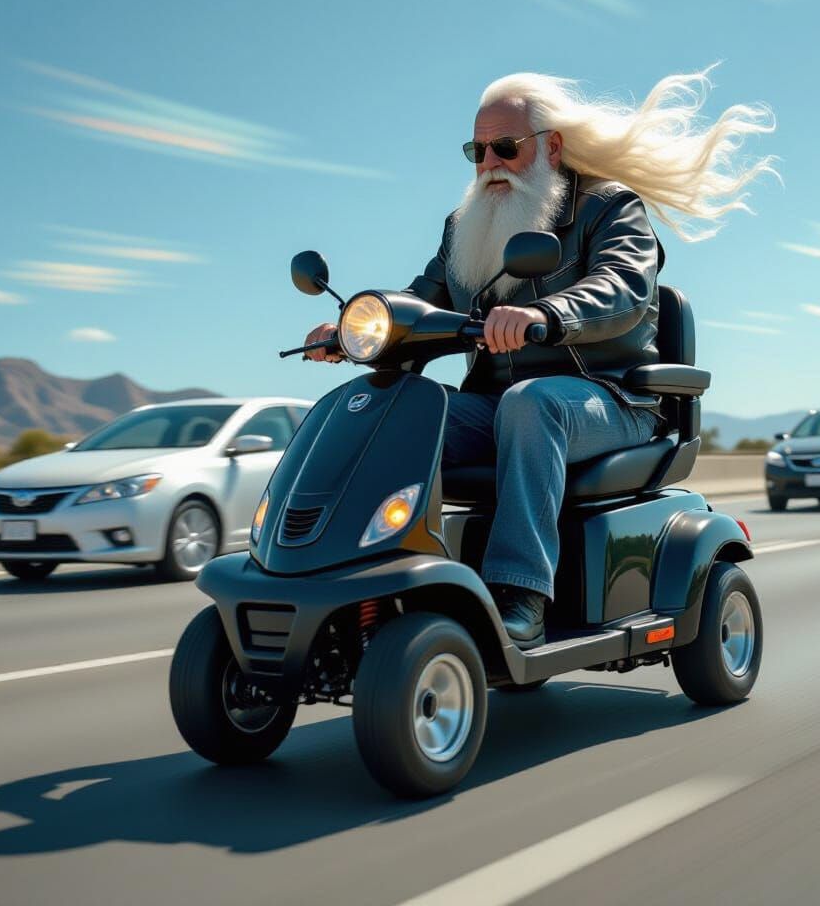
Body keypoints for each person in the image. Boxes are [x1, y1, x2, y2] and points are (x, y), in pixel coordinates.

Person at [304, 70, 774, 646]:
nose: (489, 163)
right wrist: (357, 328)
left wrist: (544, 316)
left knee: (532, 403)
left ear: (551, 146)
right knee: (390, 408)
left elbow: (623, 287)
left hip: (611, 400)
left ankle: (520, 592)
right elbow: (420, 306)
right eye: (477, 151)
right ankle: (370, 580)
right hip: (499, 410)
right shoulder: (463, 228)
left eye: (505, 147)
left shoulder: (609, 208)